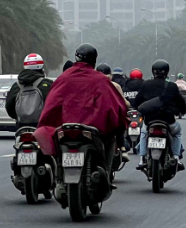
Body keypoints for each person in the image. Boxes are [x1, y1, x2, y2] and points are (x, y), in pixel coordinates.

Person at [33, 44, 128, 183]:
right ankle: (106, 178)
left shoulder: (63, 78)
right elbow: (114, 106)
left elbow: (51, 104)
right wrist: (117, 124)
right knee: (110, 140)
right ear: (94, 60)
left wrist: (49, 122)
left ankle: (59, 180)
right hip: (93, 131)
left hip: (64, 129)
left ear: (76, 58)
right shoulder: (100, 80)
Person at [5, 53, 54, 189]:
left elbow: (9, 107)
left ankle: (18, 173)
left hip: (21, 127)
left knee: (18, 147)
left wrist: (19, 118)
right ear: (42, 67)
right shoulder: (47, 84)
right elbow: (54, 106)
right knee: (53, 151)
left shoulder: (17, 86)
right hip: (42, 127)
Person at [132, 60, 186, 171]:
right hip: (168, 120)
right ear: (167, 72)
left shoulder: (146, 84)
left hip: (150, 120)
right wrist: (181, 111)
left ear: (153, 72)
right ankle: (176, 157)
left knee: (143, 132)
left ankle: (142, 159)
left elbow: (137, 102)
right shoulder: (171, 86)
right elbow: (180, 103)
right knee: (177, 133)